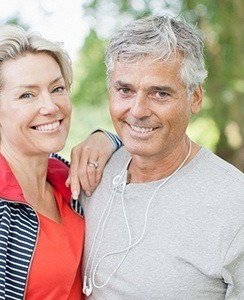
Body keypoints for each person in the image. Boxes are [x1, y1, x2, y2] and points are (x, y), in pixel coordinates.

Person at [0, 25, 120, 299]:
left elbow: (143, 150)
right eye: (27, 95)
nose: (50, 106)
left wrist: (106, 138)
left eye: (57, 88)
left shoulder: (71, 181)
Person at [76, 15, 244, 299]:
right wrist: (104, 137)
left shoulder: (234, 204)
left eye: (160, 93)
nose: (138, 110)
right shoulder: (93, 172)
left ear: (195, 98)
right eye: (125, 90)